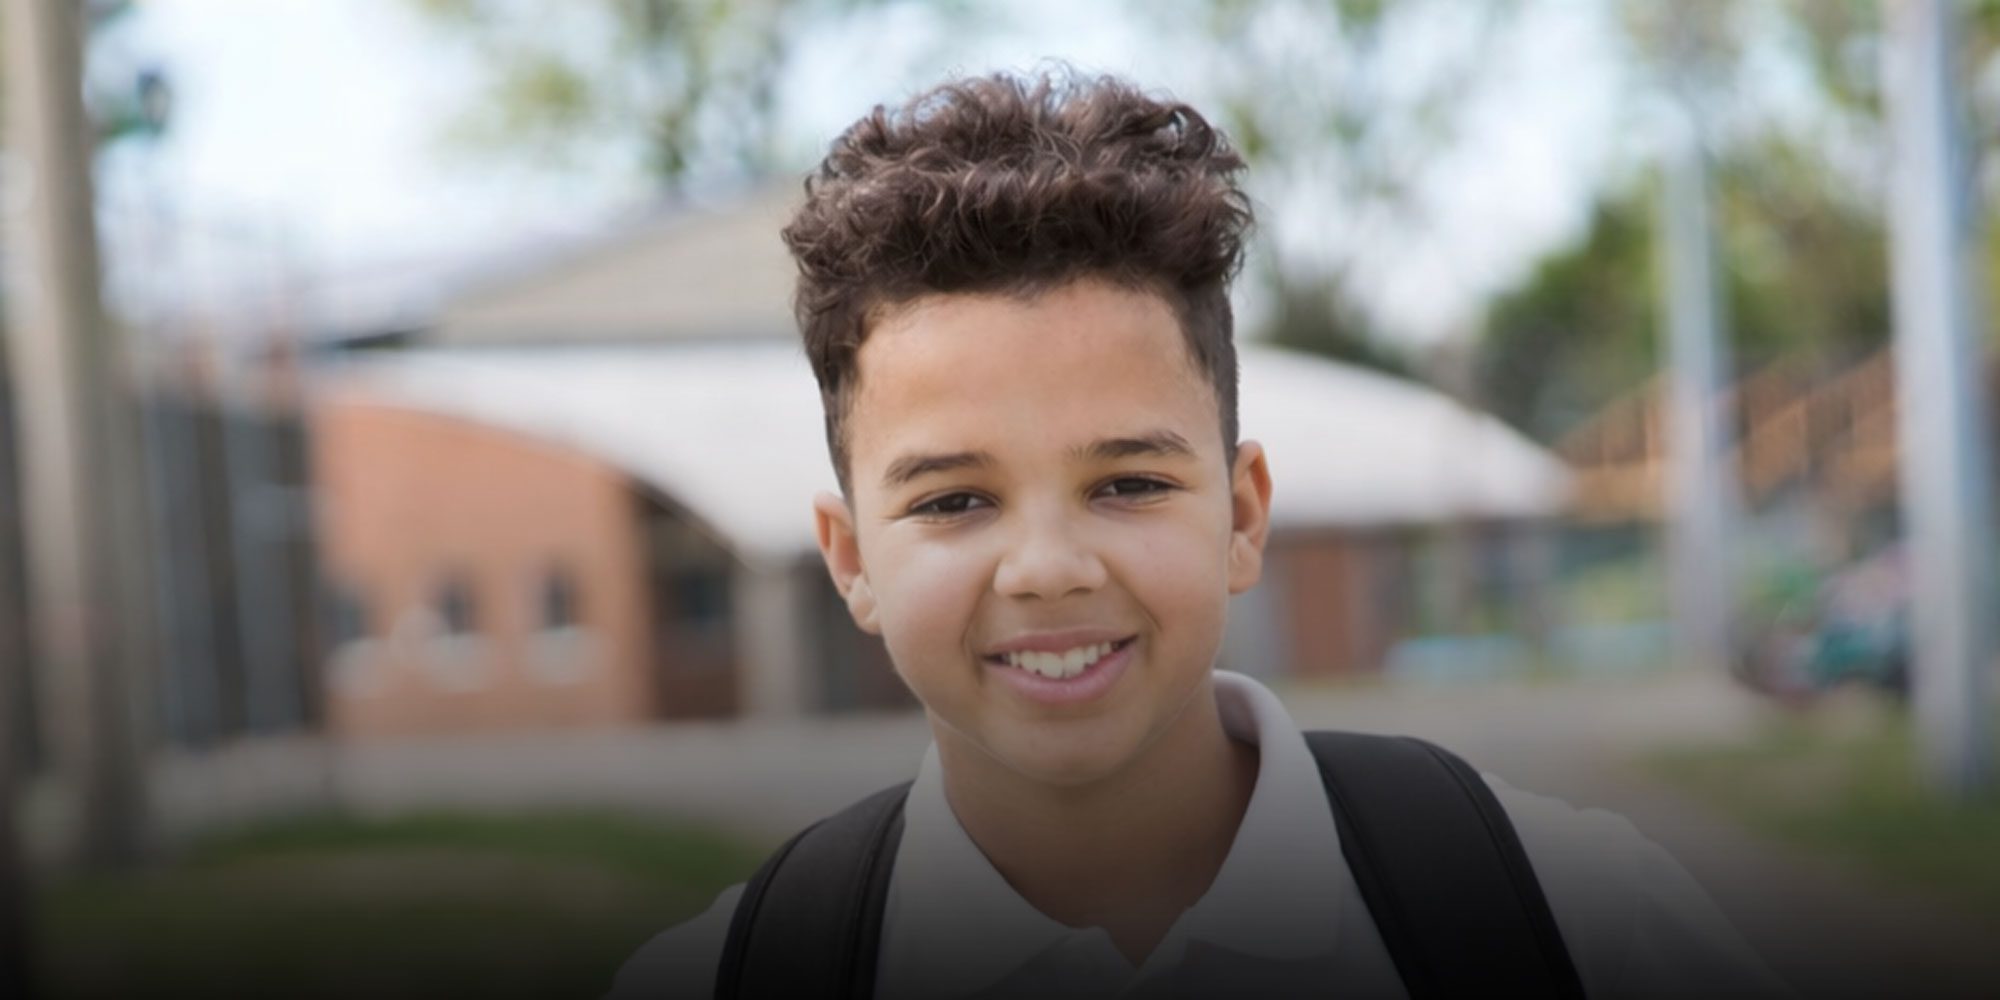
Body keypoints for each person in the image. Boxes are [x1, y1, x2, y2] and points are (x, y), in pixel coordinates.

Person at [608, 68, 1788, 999]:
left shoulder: (1577, 922)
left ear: (1242, 513)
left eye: (1125, 482)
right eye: (953, 499)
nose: (1050, 568)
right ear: (852, 556)